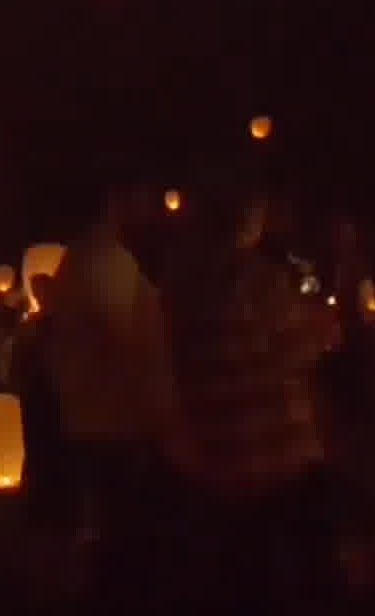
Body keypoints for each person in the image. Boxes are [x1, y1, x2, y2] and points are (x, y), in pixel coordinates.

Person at [159, 183, 335, 613]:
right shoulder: (260, 280)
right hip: (274, 453)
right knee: (288, 574)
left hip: (218, 454)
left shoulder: (179, 290)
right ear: (247, 221)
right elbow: (303, 350)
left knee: (243, 577)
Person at [43, 177, 179, 593]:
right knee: (124, 543)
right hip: (115, 424)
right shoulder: (102, 262)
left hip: (94, 419)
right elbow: (127, 343)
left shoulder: (85, 262)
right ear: (115, 202)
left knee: (113, 536)